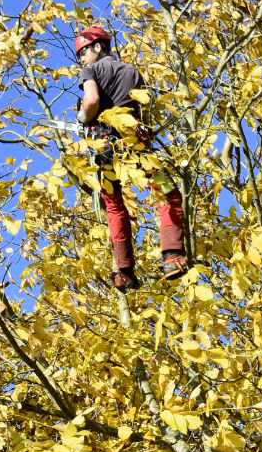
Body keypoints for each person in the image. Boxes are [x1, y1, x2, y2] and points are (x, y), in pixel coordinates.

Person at [75, 25, 189, 289]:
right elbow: (144, 112)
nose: (81, 59)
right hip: (137, 145)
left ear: (97, 47)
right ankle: (173, 255)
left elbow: (91, 100)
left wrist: (82, 117)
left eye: (82, 52)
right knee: (167, 192)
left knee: (114, 206)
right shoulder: (133, 72)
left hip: (105, 148)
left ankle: (124, 271)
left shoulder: (91, 70)